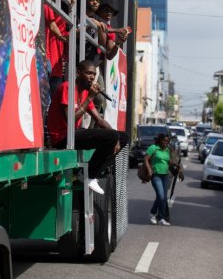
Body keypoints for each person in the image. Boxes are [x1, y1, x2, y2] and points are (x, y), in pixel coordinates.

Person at [47, 59, 128, 194]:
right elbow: (71, 119)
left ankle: (91, 173)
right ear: (78, 73)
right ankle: (89, 175)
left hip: (75, 133)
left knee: (122, 137)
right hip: (62, 137)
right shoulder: (68, 87)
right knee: (112, 136)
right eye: (88, 73)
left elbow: (100, 120)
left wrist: (117, 139)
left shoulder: (84, 93)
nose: (92, 77)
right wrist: (90, 98)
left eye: (94, 74)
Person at [144, 133, 172, 226]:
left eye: (167, 141)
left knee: (163, 198)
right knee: (161, 196)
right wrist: (149, 170)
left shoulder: (168, 150)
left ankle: (161, 218)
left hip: (165, 176)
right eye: (164, 141)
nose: (165, 143)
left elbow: (169, 162)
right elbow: (146, 159)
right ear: (160, 140)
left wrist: (176, 168)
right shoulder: (153, 148)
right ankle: (152, 213)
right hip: (156, 175)